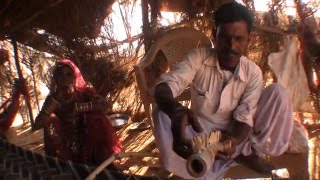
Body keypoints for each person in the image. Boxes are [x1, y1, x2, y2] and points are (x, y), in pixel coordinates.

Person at [153, 2, 293, 179]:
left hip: (235, 136)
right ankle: (192, 163)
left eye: (239, 39)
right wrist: (176, 111)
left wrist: (233, 141)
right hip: (199, 134)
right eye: (225, 38)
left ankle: (246, 154)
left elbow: (245, 117)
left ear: (249, 39)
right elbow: (165, 86)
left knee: (278, 93)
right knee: (161, 112)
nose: (231, 46)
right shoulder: (198, 57)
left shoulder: (253, 72)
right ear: (215, 35)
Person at [33, 59, 122, 165]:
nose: (64, 78)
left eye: (68, 74)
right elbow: (37, 125)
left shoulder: (83, 94)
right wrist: (54, 102)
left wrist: (81, 107)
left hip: (85, 137)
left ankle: (99, 161)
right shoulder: (52, 99)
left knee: (96, 118)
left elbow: (104, 106)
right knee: (50, 120)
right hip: (63, 142)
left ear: (74, 78)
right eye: (60, 75)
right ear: (56, 78)